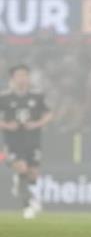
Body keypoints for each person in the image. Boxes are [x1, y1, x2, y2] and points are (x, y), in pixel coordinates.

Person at [0, 65, 52, 219]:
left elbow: (49, 113)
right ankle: (27, 205)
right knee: (22, 167)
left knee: (33, 175)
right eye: (19, 75)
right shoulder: (4, 97)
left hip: (33, 140)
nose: (22, 78)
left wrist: (37, 124)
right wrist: (6, 125)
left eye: (25, 75)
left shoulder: (37, 96)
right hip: (13, 141)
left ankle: (21, 184)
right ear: (12, 78)